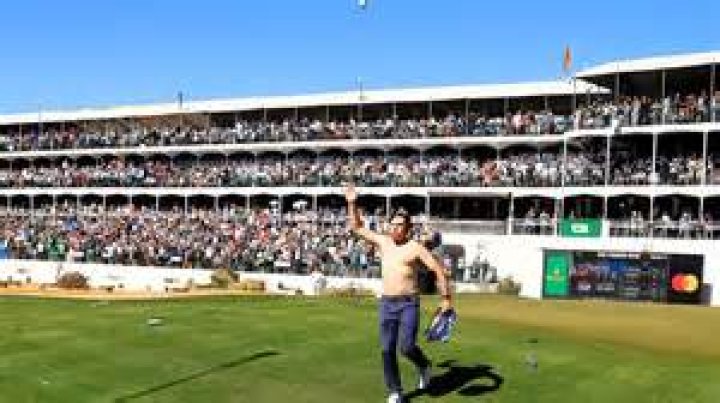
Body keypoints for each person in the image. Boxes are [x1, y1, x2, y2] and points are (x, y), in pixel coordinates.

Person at [344, 184, 453, 403]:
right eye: (392, 224)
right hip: (387, 304)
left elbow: (438, 270)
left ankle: (424, 365)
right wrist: (352, 202)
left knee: (407, 347)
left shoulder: (415, 248)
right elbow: (357, 227)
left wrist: (446, 299)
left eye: (399, 225)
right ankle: (396, 391)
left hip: (408, 304)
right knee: (386, 350)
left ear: (408, 228)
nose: (394, 228)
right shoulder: (383, 242)